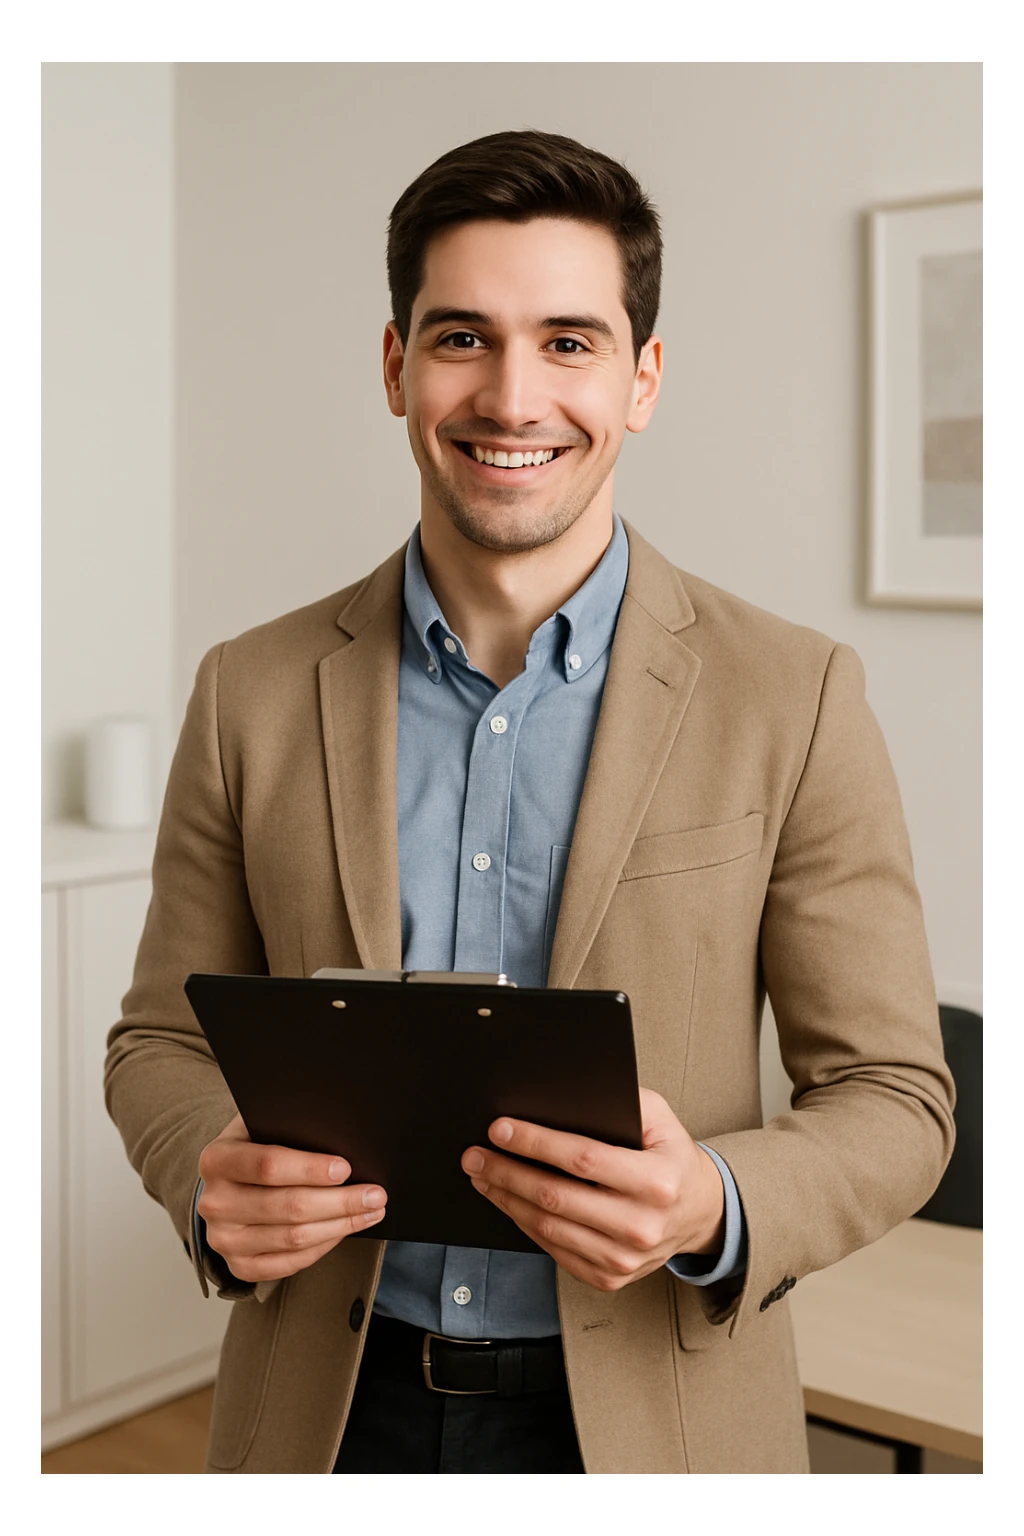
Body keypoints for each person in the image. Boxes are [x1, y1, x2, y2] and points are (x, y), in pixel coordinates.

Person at [104, 129, 955, 1476]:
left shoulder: (795, 695)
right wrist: (207, 1165)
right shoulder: (246, 692)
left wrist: (714, 1199)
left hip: (660, 1418)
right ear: (395, 368)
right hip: (323, 1414)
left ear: (641, 379)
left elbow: (896, 1097)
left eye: (568, 342)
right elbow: (155, 1036)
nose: (512, 397)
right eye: (461, 339)